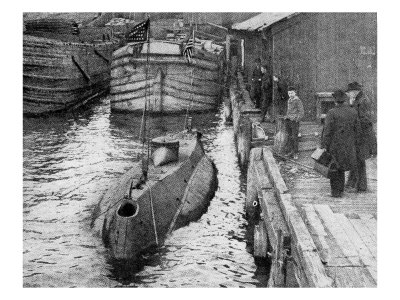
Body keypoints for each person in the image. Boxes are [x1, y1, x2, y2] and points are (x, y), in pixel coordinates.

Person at [321, 90, 361, 198]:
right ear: (344, 100)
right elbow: (358, 130)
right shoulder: (353, 111)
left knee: (334, 168)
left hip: (335, 145)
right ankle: (341, 190)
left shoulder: (331, 112)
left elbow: (327, 131)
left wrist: (324, 145)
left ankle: (335, 192)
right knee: (342, 167)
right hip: (349, 145)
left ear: (335, 101)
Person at [345, 82, 377, 192]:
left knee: (359, 160)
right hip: (359, 134)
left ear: (354, 91)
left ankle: (361, 186)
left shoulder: (362, 101)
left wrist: (353, 124)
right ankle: (352, 183)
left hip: (362, 135)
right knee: (357, 159)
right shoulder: (358, 100)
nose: (348, 95)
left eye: (349, 93)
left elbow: (365, 119)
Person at [284, 86, 304, 160]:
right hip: (289, 120)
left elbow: (301, 112)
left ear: (295, 92)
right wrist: (287, 117)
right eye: (289, 93)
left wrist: (296, 119)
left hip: (294, 121)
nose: (290, 94)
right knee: (289, 136)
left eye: (292, 93)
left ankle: (296, 152)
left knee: (295, 137)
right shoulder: (289, 100)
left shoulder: (297, 100)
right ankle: (291, 151)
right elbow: (288, 111)